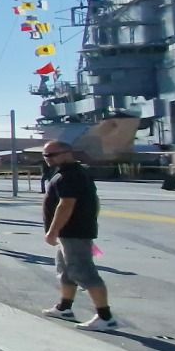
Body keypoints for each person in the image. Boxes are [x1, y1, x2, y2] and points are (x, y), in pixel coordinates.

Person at [40, 140, 118, 331]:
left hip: (73, 231)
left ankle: (105, 317)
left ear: (67, 153)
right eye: (45, 155)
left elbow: (66, 205)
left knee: (83, 272)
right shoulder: (71, 173)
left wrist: (53, 231)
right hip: (71, 231)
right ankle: (64, 307)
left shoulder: (70, 176)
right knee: (66, 271)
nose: (47, 159)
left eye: (51, 155)